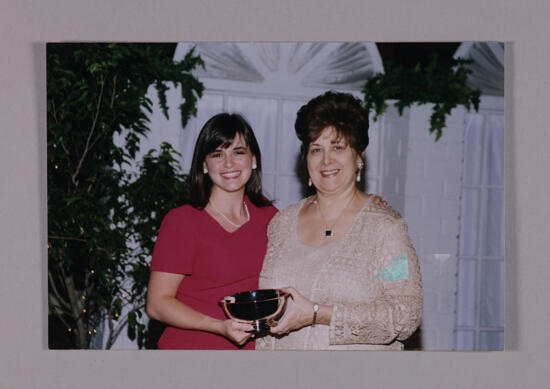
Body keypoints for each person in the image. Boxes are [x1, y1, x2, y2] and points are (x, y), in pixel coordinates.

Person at [257, 91, 423, 350]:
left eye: (338, 147)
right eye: (316, 149)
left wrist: (319, 313)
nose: (326, 160)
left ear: (359, 156)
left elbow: (404, 315)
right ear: (306, 159)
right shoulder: (282, 223)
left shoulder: (385, 229)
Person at [146, 113, 278, 349]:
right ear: (204, 165)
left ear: (254, 160)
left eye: (238, 152)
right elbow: (157, 303)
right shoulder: (182, 221)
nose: (229, 164)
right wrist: (219, 326)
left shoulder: (271, 218)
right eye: (218, 154)